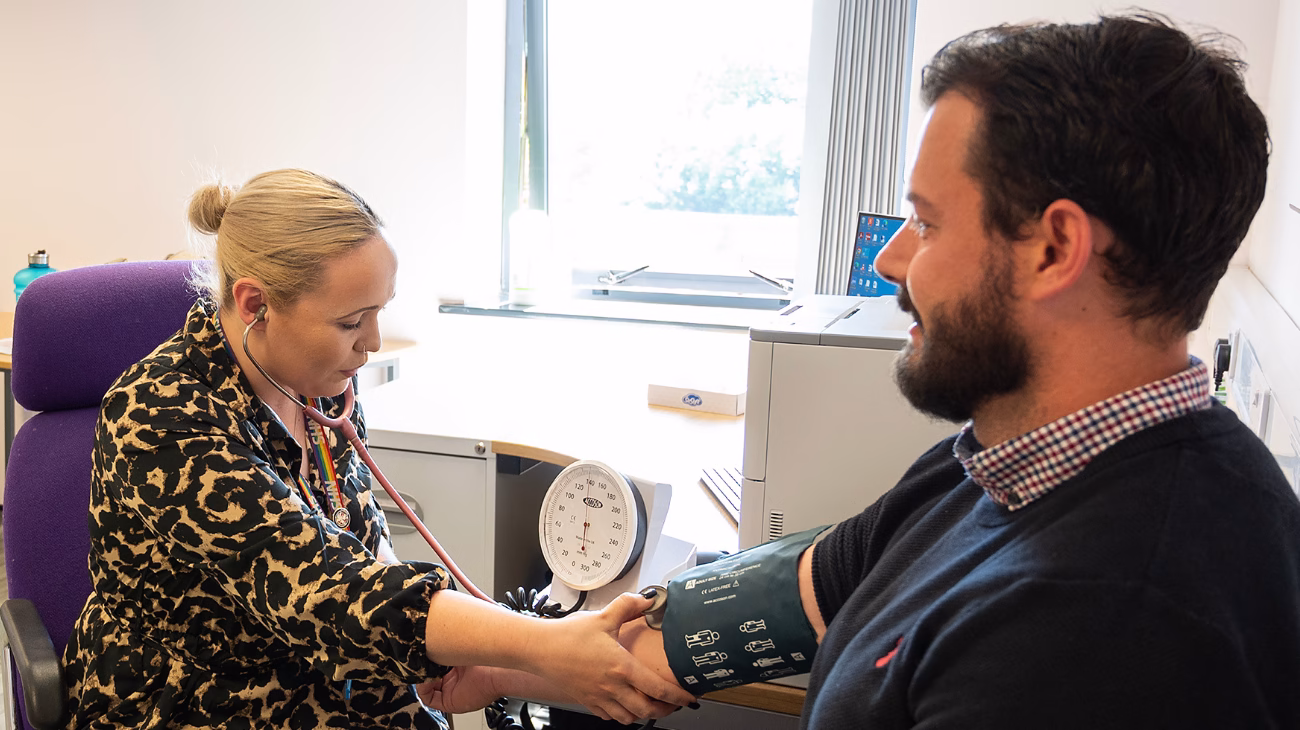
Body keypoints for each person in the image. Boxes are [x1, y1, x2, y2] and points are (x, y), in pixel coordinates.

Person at [425, 13, 1300, 729]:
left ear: (1054, 247)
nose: (888, 261)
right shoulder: (1002, 462)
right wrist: (509, 663)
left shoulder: (1109, 627)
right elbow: (780, 601)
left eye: (925, 221)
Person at [61, 168, 694, 729]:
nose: (372, 343)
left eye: (377, 313)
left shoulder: (319, 388)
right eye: (349, 321)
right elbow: (326, 587)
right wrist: (538, 648)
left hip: (341, 676)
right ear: (256, 304)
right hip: (204, 698)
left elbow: (365, 553)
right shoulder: (158, 414)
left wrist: (489, 664)